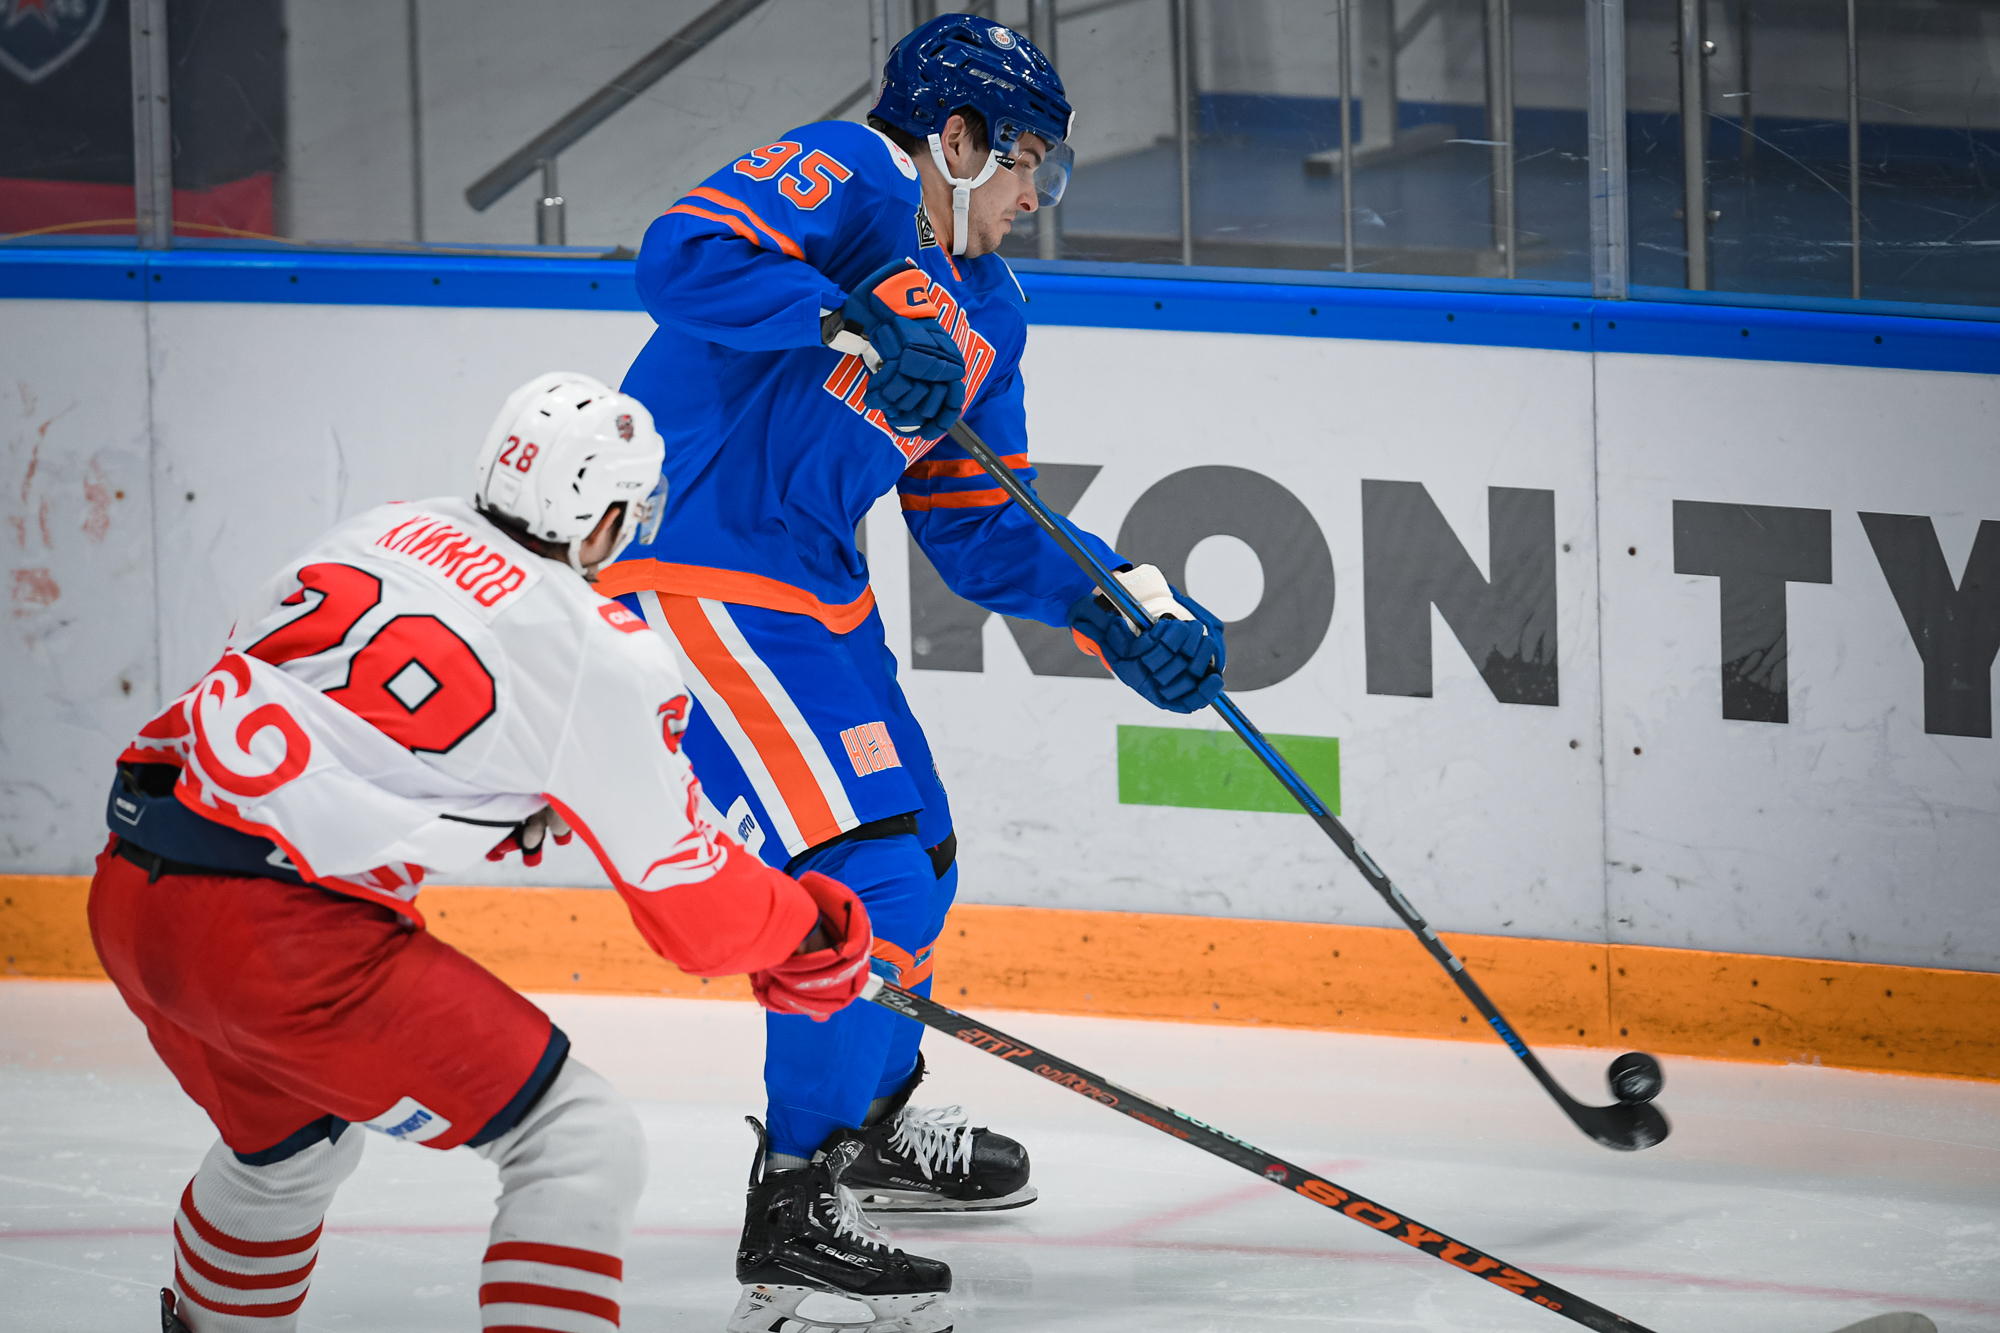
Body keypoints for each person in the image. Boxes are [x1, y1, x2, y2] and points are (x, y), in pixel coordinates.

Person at [603, 16, 1229, 1331]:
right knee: (867, 873)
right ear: (955, 140)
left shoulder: (990, 309)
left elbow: (980, 523)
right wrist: (844, 315)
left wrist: (1117, 604)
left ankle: (868, 1124)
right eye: (1026, 164)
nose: (1033, 197)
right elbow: (681, 257)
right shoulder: (853, 176)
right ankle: (795, 1203)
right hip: (692, 567)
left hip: (813, 597)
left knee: (923, 860)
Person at [90, 373, 878, 1333]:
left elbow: (301, 704)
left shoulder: (383, 529)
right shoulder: (599, 647)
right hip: (280, 941)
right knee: (580, 1144)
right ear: (607, 517)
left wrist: (485, 796)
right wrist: (807, 931)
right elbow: (695, 911)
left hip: (132, 889)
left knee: (290, 1152)